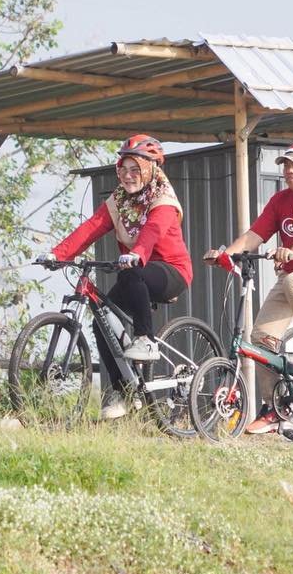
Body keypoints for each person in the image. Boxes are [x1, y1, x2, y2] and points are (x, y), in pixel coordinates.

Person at [205, 142, 293, 435]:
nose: (289, 170)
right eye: (285, 165)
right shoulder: (279, 200)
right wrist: (226, 254)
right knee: (260, 340)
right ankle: (274, 408)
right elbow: (255, 234)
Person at [47, 134, 192, 419]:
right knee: (102, 320)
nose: (127, 176)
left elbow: (152, 232)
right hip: (134, 271)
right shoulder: (120, 202)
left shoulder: (163, 199)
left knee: (130, 275)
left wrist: (137, 252)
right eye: (122, 169)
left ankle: (145, 338)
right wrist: (57, 254)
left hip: (171, 271)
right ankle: (121, 391)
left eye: (135, 169)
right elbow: (92, 227)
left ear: (150, 169)